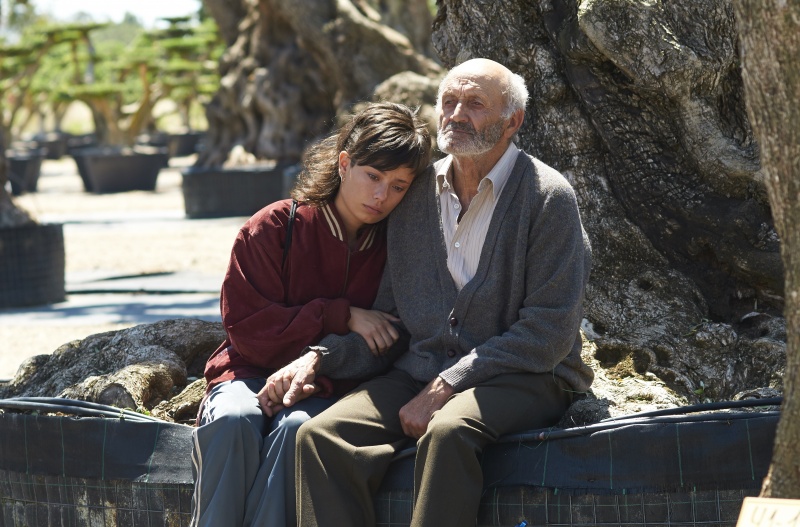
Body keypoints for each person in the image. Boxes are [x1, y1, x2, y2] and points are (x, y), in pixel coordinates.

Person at [287, 58, 594, 526]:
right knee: (321, 437)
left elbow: (548, 333)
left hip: (528, 376)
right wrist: (320, 359)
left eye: (475, 104)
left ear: (512, 121)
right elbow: (391, 320)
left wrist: (450, 383)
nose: (456, 114)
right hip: (421, 371)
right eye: (449, 101)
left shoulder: (548, 197)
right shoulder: (411, 197)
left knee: (448, 430)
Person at [188, 101, 432, 527]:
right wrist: (340, 315)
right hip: (246, 373)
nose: (381, 196)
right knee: (234, 420)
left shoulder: (398, 250)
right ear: (344, 163)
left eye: (398, 186)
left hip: (333, 384)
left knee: (297, 429)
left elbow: (388, 341)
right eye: (373, 176)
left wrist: (319, 366)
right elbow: (248, 330)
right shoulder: (273, 227)